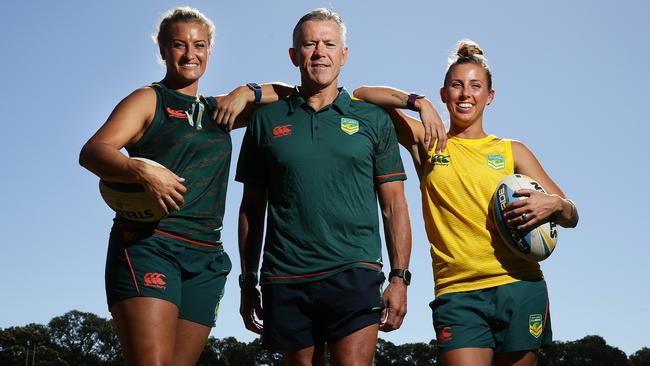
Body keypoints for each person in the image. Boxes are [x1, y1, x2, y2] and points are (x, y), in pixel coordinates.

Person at [354, 39, 579, 366]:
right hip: (458, 294)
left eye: (475, 86)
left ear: (490, 97)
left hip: (520, 287)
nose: (465, 94)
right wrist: (418, 102)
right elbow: (362, 96)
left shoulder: (512, 151)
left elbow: (572, 213)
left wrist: (555, 206)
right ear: (444, 94)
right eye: (456, 86)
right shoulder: (427, 141)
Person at [78, 7, 282, 365]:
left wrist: (245, 91)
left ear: (210, 50)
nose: (190, 54)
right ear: (162, 50)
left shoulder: (220, 112)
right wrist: (139, 170)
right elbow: (93, 151)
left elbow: (291, 95)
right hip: (150, 245)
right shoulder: (149, 99)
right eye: (178, 45)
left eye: (199, 45)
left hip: (206, 257)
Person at [235, 8, 412, 366]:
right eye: (309, 44)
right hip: (285, 276)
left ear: (344, 55)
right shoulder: (266, 121)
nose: (320, 52)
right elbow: (251, 210)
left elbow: (394, 205)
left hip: (355, 270)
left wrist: (399, 278)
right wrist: (247, 281)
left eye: (329, 44)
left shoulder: (372, 119)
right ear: (293, 54)